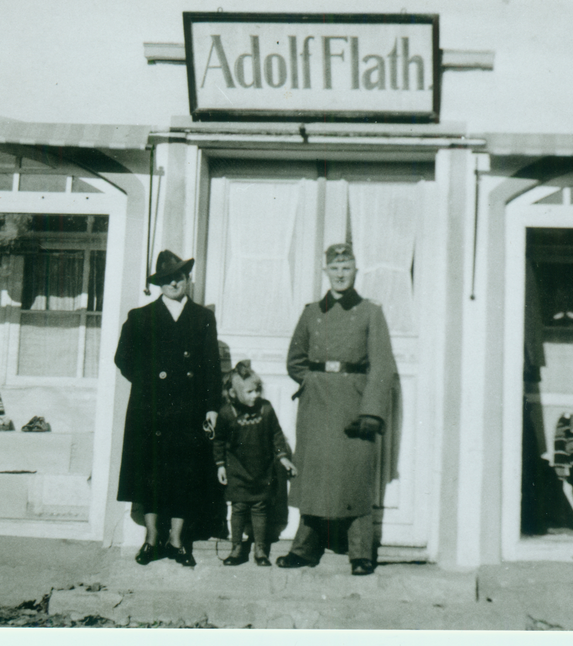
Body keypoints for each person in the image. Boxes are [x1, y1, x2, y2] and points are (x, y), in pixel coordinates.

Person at [277, 243, 397, 576]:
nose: (341, 274)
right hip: (316, 407)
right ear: (325, 271)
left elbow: (382, 365)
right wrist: (313, 384)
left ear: (356, 270)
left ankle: (361, 554)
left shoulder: (371, 312)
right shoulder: (311, 311)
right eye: (335, 268)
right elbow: (295, 360)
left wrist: (371, 411)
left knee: (353, 479)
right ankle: (304, 549)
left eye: (347, 267)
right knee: (314, 478)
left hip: (354, 406)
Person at [115, 250, 222, 567]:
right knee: (149, 473)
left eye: (179, 276)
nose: (174, 282)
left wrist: (212, 407)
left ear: (188, 279)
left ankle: (176, 540)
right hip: (150, 408)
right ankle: (151, 539)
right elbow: (123, 358)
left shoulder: (203, 317)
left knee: (184, 473)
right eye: (166, 278)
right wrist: (151, 382)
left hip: (189, 408)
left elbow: (212, 367)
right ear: (159, 284)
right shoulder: (140, 317)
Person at [214, 360, 297, 566]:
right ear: (234, 394)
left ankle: (260, 549)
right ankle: (236, 548)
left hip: (262, 471)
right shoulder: (226, 414)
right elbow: (219, 441)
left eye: (257, 390)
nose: (256, 395)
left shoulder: (265, 409)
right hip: (237, 471)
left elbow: (276, 435)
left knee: (260, 508)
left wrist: (284, 457)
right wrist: (220, 465)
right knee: (239, 508)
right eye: (250, 392)